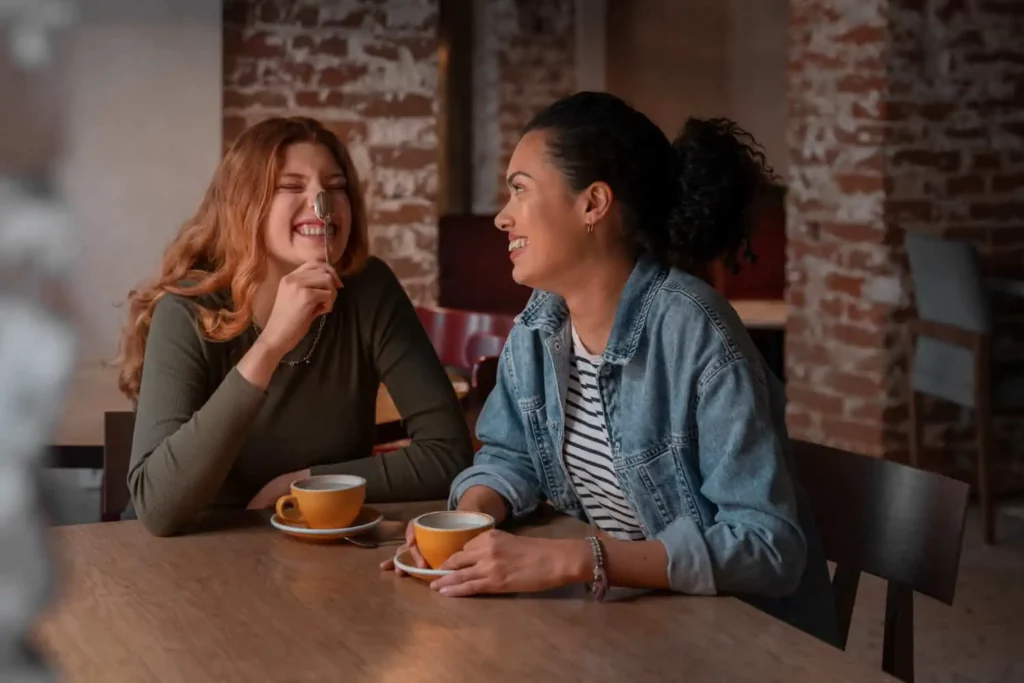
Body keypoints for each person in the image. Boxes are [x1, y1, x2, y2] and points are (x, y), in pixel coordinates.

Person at [383, 92, 839, 646]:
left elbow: (768, 548)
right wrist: (469, 522)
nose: (503, 217)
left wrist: (580, 560)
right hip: (639, 622)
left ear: (593, 203)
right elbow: (509, 454)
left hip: (745, 641)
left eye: (520, 189)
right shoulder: (540, 322)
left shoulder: (696, 330)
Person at [116, 117, 473, 537]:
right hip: (189, 559)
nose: (321, 198)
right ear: (244, 204)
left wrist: (299, 485)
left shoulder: (368, 290)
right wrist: (271, 344)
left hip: (315, 557)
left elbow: (449, 455)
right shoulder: (188, 308)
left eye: (336, 185)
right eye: (291, 186)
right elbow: (158, 507)